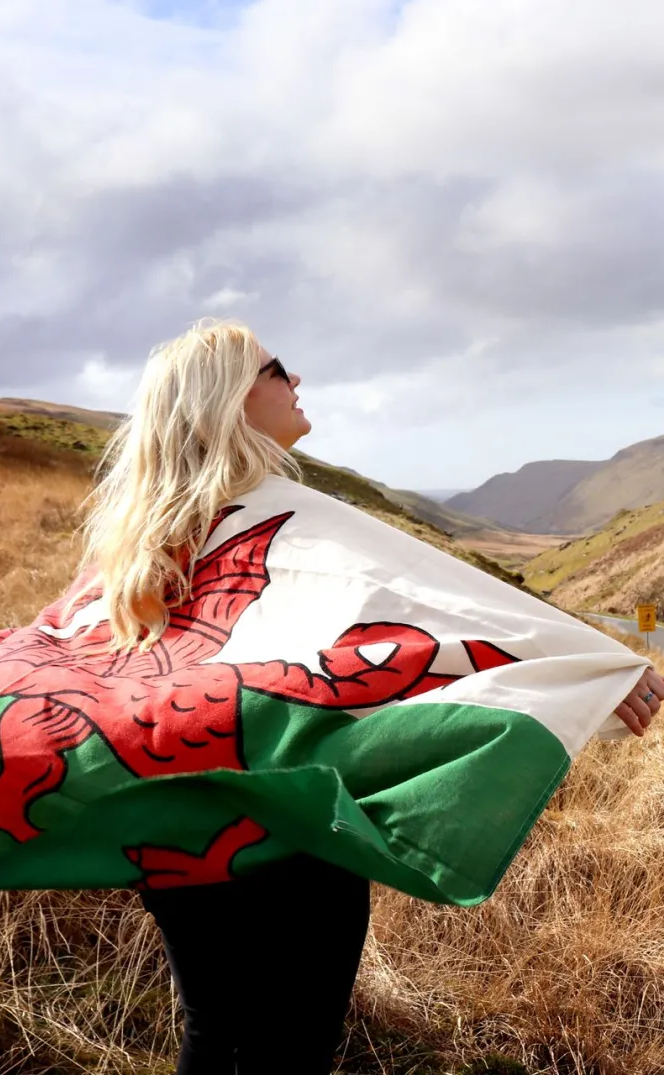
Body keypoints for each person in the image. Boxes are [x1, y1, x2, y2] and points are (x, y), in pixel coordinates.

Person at [71, 318, 664, 1074]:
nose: (298, 381)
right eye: (278, 368)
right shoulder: (292, 521)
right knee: (296, 1042)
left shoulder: (133, 542)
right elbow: (444, 608)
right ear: (228, 398)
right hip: (287, 826)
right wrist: (595, 665)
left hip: (173, 823)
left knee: (214, 1028)